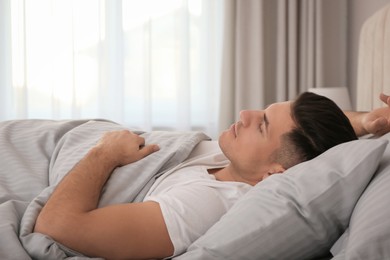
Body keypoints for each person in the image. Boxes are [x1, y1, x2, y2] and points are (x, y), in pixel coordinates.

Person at [34, 92, 390, 260]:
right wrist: (365, 122)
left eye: (262, 124)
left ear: (275, 173)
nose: (246, 113)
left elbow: (58, 226)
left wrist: (105, 152)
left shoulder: (203, 205)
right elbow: (309, 137)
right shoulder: (246, 160)